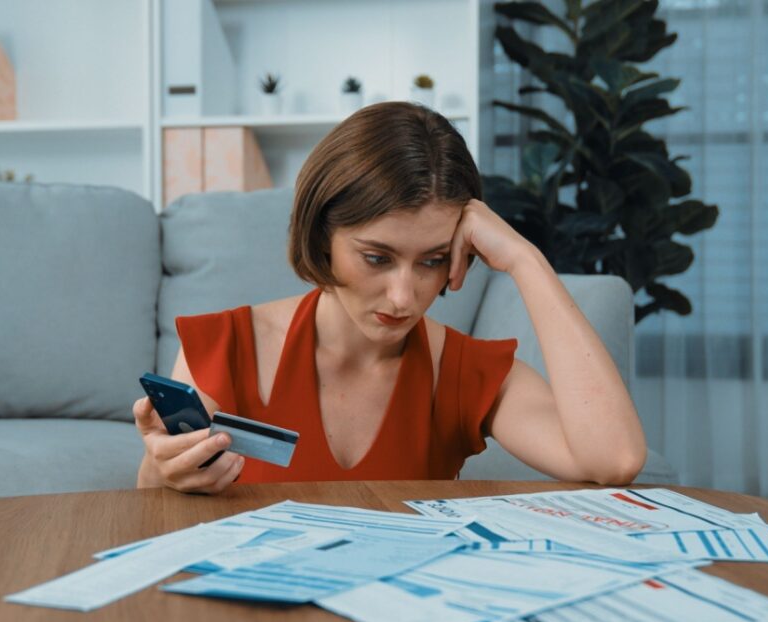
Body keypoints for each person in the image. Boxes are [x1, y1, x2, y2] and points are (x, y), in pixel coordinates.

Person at [135, 102, 646, 494]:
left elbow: (615, 459)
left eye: (432, 260)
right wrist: (162, 472)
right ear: (321, 239)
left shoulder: (464, 373)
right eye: (377, 258)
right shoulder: (227, 345)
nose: (404, 298)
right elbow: (160, 505)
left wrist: (525, 260)